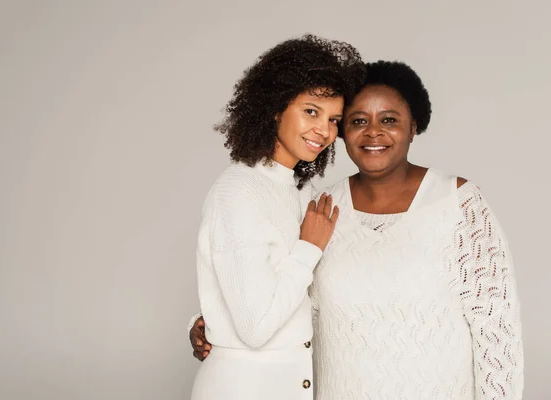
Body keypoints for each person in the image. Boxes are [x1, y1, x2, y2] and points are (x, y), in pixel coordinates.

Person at [190, 60, 524, 400]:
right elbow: (280, 294)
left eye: (389, 120)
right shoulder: (321, 207)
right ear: (345, 134)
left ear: (414, 127)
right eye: (357, 121)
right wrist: (214, 320)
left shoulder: (458, 204)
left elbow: (496, 330)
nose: (373, 132)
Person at [189, 35, 364, 400]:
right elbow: (255, 326)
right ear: (274, 107)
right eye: (311, 111)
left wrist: (209, 321)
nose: (324, 131)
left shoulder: (304, 192)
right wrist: (308, 248)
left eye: (334, 119)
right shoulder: (238, 192)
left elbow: (291, 295)